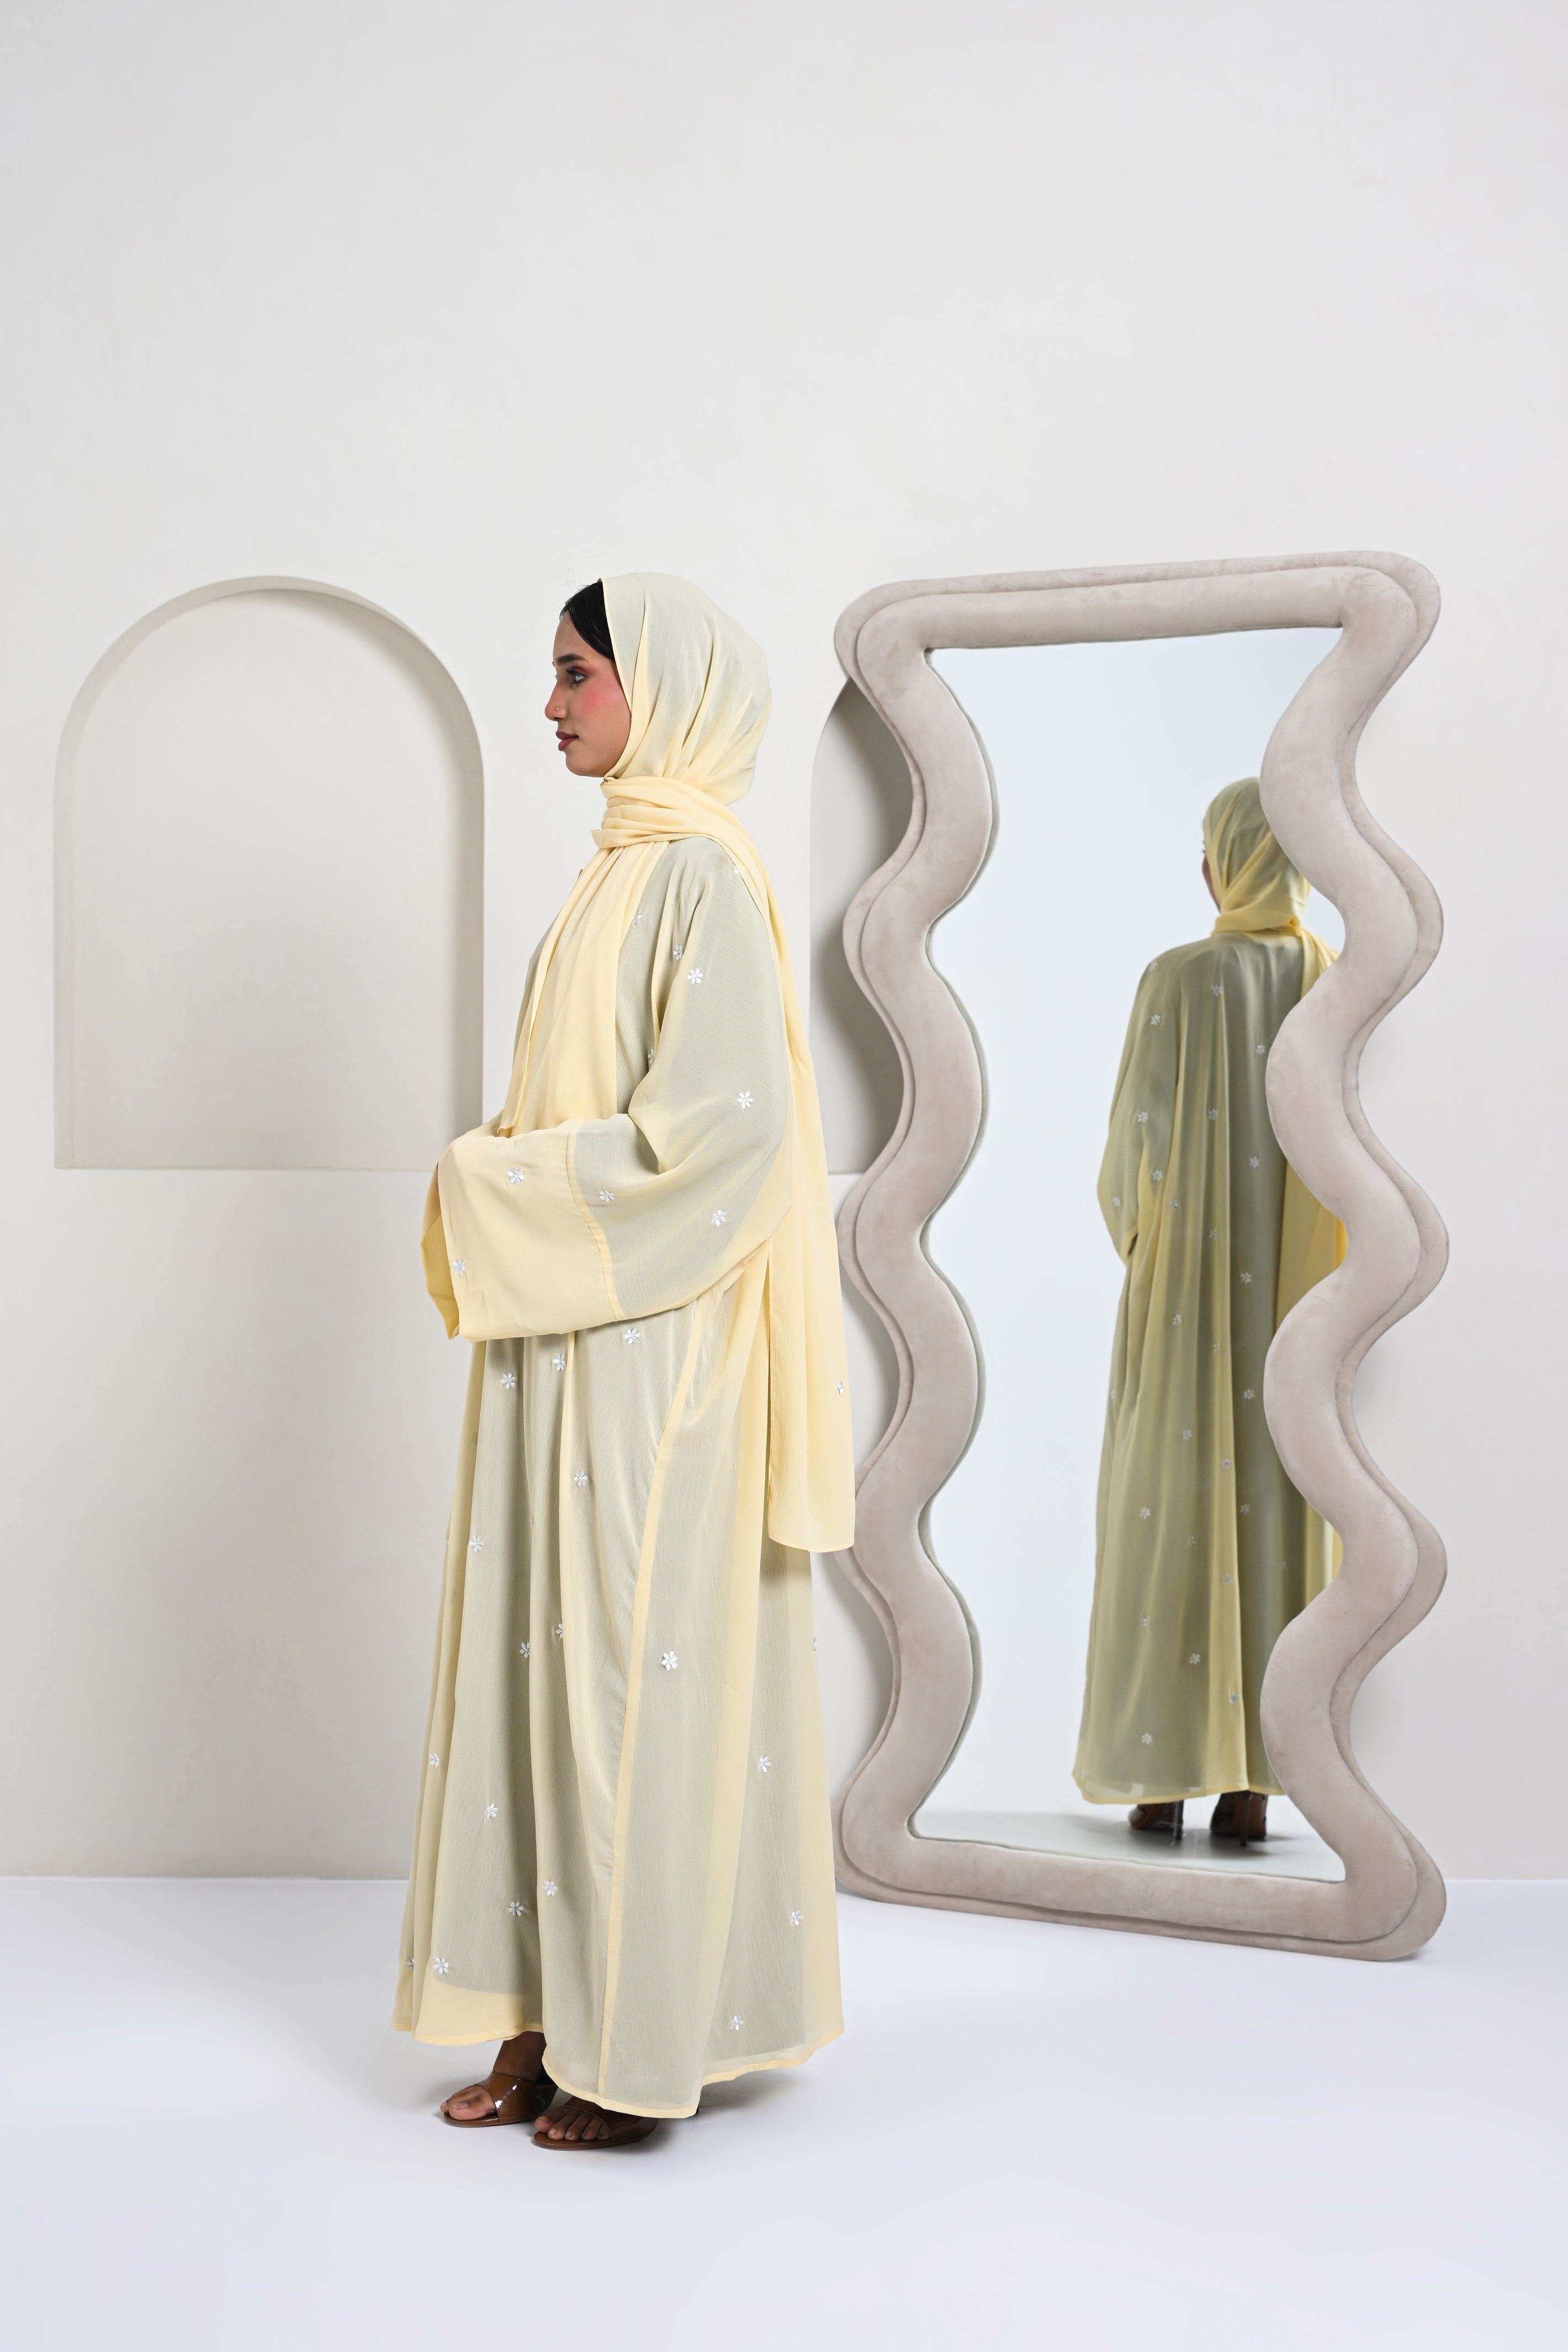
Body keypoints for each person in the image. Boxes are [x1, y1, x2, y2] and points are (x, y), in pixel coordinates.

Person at [393, 574, 854, 2146]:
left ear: (663, 687)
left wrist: (489, 1182)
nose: (551, 705)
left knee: (622, 1679)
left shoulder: (701, 878)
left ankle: (629, 2051)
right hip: (563, 1337)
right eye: (556, 675)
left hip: (656, 1352)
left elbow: (721, 1140)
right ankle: (540, 2015)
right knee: (539, 1664)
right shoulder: (613, 873)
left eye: (578, 674)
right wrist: (511, 1181)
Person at [1073, 778, 1344, 1846]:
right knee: (1278, 1510)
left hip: (1187, 1297)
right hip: (1302, 1301)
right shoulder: (1331, 981)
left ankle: (1161, 1776)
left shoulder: (1178, 978)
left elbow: (1129, 1164)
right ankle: (1255, 1786)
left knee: (1168, 1512)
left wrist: (1154, 1252)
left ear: (1224, 863)